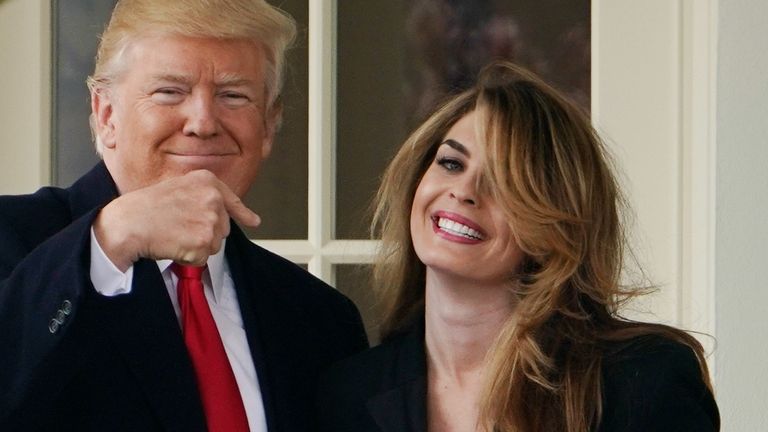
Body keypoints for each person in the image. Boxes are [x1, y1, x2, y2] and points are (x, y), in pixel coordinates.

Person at [0, 0, 367, 430]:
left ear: (268, 126)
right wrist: (110, 240)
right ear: (106, 115)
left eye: (233, 95)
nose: (203, 122)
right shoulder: (14, 241)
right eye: (169, 92)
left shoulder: (319, 319)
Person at [318, 61, 719, 432]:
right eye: (451, 163)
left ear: (553, 222)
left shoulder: (643, 381)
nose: (464, 191)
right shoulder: (350, 392)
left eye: (504, 182)